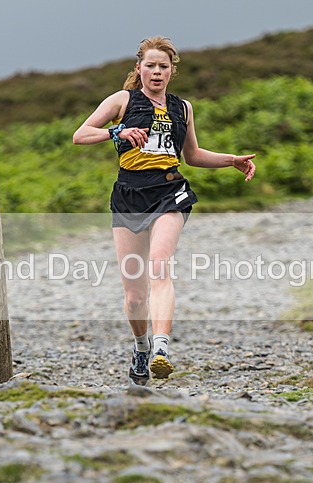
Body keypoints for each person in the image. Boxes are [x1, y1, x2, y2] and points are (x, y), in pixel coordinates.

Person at [73, 35, 256, 385]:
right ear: (139, 68)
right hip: (129, 196)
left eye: (163, 67)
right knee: (133, 296)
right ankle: (141, 347)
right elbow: (80, 135)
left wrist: (231, 160)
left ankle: (160, 349)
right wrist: (117, 133)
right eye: (151, 66)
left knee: (160, 268)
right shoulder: (122, 100)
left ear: (172, 71)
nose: (157, 72)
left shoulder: (182, 108)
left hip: (170, 191)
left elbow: (193, 156)